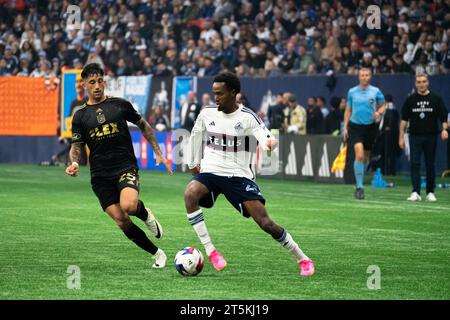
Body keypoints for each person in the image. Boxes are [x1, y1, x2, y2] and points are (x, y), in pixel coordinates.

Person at [184, 72, 315, 276]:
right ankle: (211, 251)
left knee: (266, 223)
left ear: (234, 93)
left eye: (220, 94)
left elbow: (264, 137)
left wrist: (269, 145)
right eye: (214, 93)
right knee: (190, 193)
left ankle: (303, 258)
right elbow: (195, 136)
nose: (215, 98)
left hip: (239, 176)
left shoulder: (248, 117)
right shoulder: (207, 113)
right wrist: (193, 164)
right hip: (210, 171)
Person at [65, 63, 173, 268]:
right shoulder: (80, 116)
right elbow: (76, 146)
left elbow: (144, 125)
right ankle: (157, 253)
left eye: (99, 81)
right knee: (122, 220)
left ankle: (145, 214)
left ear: (104, 82)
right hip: (99, 176)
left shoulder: (120, 105)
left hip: (124, 166)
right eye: (92, 82)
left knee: (129, 206)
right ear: (84, 85)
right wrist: (75, 163)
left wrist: (158, 152)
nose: (97, 86)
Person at [399, 74, 448, 201]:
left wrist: (444, 129)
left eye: (424, 81)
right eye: (419, 82)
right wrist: (400, 137)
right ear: (416, 84)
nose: (421, 84)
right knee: (415, 164)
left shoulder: (436, 99)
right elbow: (404, 120)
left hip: (431, 136)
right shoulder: (410, 100)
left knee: (430, 164)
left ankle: (430, 192)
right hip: (414, 136)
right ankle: (415, 192)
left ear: (428, 83)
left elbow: (443, 117)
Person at [344, 68, 385, 200]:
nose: (364, 77)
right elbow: (348, 109)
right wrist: (345, 127)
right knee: (359, 155)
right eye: (362, 75)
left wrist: (379, 112)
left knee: (365, 157)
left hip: (370, 128)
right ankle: (360, 187)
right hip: (355, 127)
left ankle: (360, 178)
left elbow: (384, 105)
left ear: (370, 77)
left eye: (367, 75)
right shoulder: (352, 92)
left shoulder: (375, 91)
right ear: (359, 77)